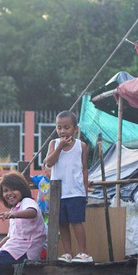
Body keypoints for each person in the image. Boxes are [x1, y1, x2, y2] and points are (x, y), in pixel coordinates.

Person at [44, 110, 92, 263]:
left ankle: (84, 253)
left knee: (76, 221)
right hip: (58, 193)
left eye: (67, 127)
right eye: (59, 128)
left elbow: (84, 169)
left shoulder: (81, 146)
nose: (63, 131)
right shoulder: (54, 144)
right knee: (62, 223)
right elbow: (49, 163)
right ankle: (68, 253)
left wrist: (84, 189)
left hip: (75, 192)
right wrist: (59, 148)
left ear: (75, 129)